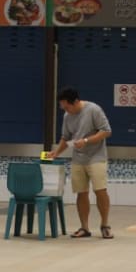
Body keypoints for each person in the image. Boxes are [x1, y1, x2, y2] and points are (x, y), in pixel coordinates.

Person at [48, 87, 113, 239]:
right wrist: (56, 153)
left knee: (100, 190)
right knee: (81, 192)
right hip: (78, 158)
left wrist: (86, 140)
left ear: (76, 102)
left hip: (96, 156)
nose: (65, 110)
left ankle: (105, 225)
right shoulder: (67, 116)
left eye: (67, 106)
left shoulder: (93, 110)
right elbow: (65, 137)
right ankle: (84, 227)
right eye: (63, 107)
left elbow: (106, 131)